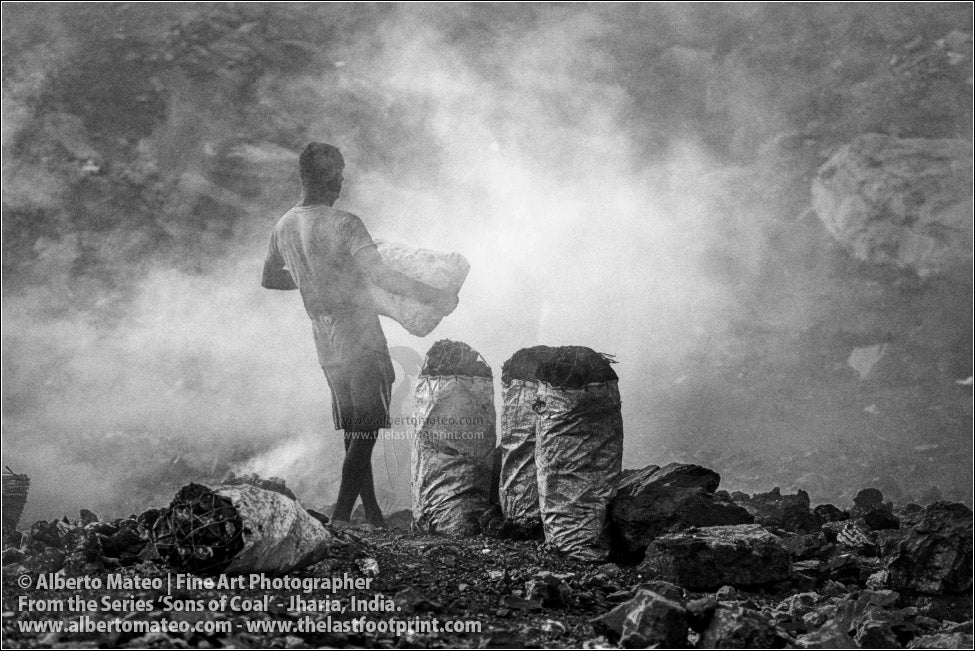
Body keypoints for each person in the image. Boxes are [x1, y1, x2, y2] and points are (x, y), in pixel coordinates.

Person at [262, 142, 457, 527]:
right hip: (359, 334)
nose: (341, 183)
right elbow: (380, 275)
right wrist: (435, 296)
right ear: (322, 178)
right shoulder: (345, 223)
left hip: (324, 338)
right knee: (366, 429)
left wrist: (311, 279)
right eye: (337, 176)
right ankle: (339, 516)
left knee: (355, 427)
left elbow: (270, 278)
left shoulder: (283, 226)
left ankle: (372, 513)